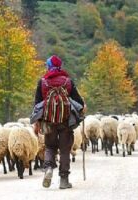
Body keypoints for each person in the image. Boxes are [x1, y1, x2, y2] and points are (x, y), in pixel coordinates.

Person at [33, 55, 85, 189]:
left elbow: (37, 103)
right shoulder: (68, 81)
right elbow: (78, 101)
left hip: (48, 120)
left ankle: (49, 168)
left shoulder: (43, 81)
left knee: (50, 146)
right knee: (64, 150)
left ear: (49, 66)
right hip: (65, 120)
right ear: (60, 66)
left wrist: (37, 122)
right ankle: (64, 180)